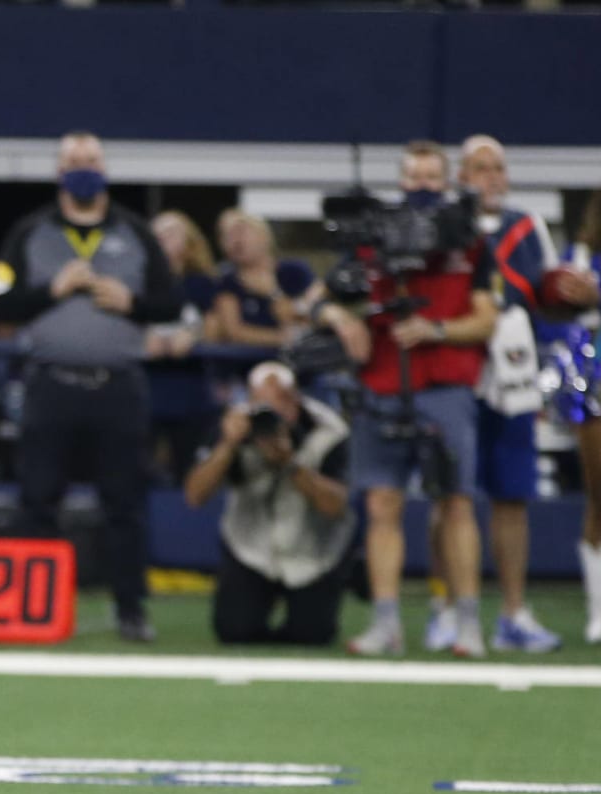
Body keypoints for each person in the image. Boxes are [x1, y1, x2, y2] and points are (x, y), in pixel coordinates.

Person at [0, 131, 178, 642]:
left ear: (105, 169)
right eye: (74, 161)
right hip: (51, 385)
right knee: (38, 499)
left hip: (119, 387)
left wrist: (132, 303)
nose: (83, 169)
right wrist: (53, 290)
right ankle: (32, 608)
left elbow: (173, 304)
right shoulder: (31, 232)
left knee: (125, 505)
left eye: (91, 161)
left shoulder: (136, 232)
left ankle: (131, 613)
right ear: (59, 172)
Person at [318, 141, 497, 658]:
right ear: (401, 181)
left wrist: (437, 328)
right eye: (413, 177)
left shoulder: (468, 242)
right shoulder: (372, 238)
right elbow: (326, 296)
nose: (421, 186)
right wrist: (339, 318)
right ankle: (386, 624)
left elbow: (487, 316)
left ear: (445, 182)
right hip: (381, 383)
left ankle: (467, 623)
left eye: (430, 177)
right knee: (381, 503)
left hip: (444, 384)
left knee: (457, 502)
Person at [424, 134, 562, 653]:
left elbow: (548, 302)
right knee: (450, 495)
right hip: (455, 373)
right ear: (461, 176)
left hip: (513, 376)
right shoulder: (441, 227)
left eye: (499, 167)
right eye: (480, 168)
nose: (493, 177)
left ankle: (513, 612)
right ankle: (444, 608)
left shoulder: (526, 228)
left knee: (512, 494)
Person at [184, 362, 353, 645]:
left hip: (311, 554)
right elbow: (194, 496)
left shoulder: (329, 430)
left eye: (282, 401)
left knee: (312, 636)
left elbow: (335, 507)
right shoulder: (234, 425)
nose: (272, 413)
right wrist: (227, 446)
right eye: (261, 402)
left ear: (295, 397)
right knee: (235, 631)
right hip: (252, 548)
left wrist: (290, 464)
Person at [550, 190, 601, 643]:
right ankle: (598, 609)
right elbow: (555, 310)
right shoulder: (580, 256)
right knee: (600, 495)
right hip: (594, 384)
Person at [146, 210, 219, 485]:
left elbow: (215, 329)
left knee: (189, 470)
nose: (162, 238)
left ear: (190, 244)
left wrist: (194, 334)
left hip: (191, 391)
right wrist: (142, 336)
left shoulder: (202, 283)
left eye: (171, 232)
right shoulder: (138, 284)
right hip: (145, 389)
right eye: (157, 233)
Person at [210, 209, 319, 349]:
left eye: (240, 231)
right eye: (226, 234)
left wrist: (272, 292)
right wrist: (279, 338)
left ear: (263, 235)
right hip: (246, 362)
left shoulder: (295, 270)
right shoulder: (225, 280)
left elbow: (306, 317)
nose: (235, 240)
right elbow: (234, 331)